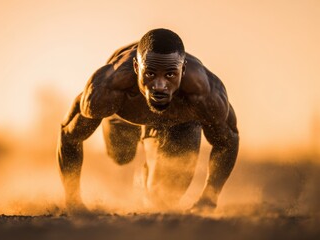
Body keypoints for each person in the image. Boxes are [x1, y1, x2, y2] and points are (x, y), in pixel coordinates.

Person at [57, 28, 239, 213]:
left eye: (170, 75)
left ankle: (148, 168)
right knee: (121, 155)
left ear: (182, 70)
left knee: (163, 199)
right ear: (137, 68)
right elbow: (69, 134)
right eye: (150, 74)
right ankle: (134, 135)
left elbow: (228, 140)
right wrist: (73, 200)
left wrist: (209, 197)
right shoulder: (110, 88)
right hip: (122, 114)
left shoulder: (202, 92)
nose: (160, 86)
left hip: (179, 123)